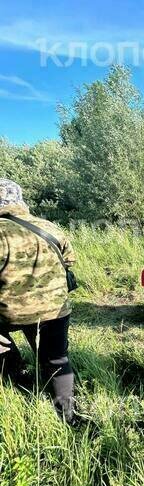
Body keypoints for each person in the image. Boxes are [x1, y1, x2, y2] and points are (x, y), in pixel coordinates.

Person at [0, 178, 76, 422]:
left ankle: (18, 377)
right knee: (57, 359)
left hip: (7, 311)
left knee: (1, 346)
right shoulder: (50, 227)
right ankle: (68, 416)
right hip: (53, 310)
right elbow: (69, 262)